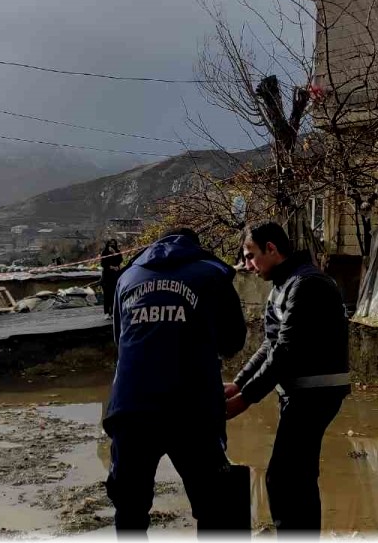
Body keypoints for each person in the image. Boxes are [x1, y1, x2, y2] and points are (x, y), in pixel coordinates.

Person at [104, 227, 247, 536]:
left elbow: (121, 339)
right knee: (214, 505)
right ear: (194, 247)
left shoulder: (128, 277)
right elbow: (233, 340)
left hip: (131, 408)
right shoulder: (211, 272)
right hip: (191, 409)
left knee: (130, 509)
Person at [224, 221, 350, 534]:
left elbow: (286, 352)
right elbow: (270, 344)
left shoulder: (307, 284)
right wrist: (238, 383)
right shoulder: (283, 286)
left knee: (284, 477)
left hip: (316, 392)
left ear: (272, 249)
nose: (249, 264)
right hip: (300, 392)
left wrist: (245, 400)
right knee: (296, 476)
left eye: (251, 255)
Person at [100, 238, 123, 318]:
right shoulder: (105, 252)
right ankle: (106, 312)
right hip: (106, 277)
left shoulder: (117, 252)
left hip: (115, 277)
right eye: (110, 244)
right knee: (107, 295)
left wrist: (115, 253)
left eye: (113, 244)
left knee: (114, 295)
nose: (112, 245)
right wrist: (111, 267)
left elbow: (120, 260)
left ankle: (113, 312)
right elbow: (103, 264)